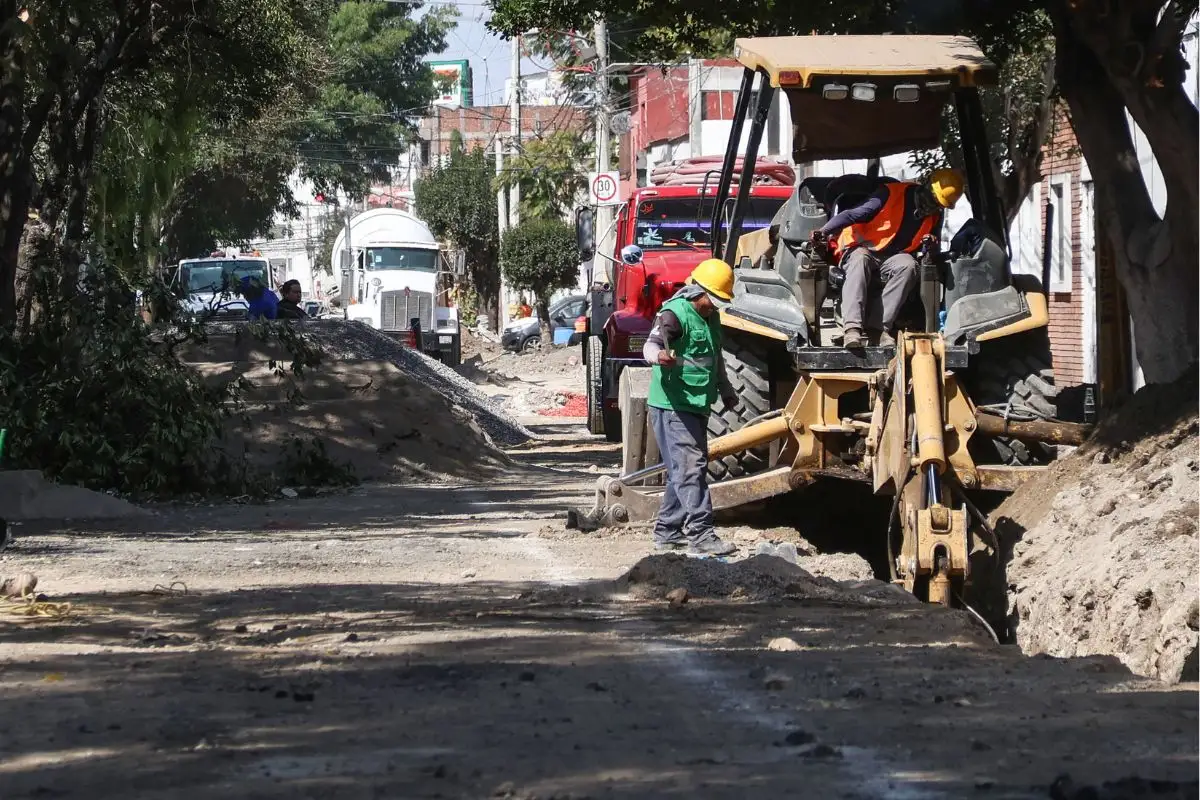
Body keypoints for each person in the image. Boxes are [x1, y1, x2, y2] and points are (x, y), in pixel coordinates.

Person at [641, 259, 740, 557]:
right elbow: (649, 345)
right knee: (690, 468)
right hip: (672, 404)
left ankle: (668, 532)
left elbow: (715, 358)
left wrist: (726, 390)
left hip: (697, 403)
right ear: (698, 291)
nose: (716, 306)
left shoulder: (711, 318)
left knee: (680, 470)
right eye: (713, 300)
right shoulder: (675, 314)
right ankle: (701, 533)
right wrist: (659, 356)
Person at [814, 168, 964, 349]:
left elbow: (930, 246)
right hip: (860, 248)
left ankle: (878, 329)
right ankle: (852, 329)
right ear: (926, 186)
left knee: (909, 265)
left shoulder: (935, 215)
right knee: (860, 259)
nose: (932, 207)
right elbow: (852, 214)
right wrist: (823, 232)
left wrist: (930, 245)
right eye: (932, 200)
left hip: (891, 257)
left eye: (938, 204)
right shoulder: (890, 193)